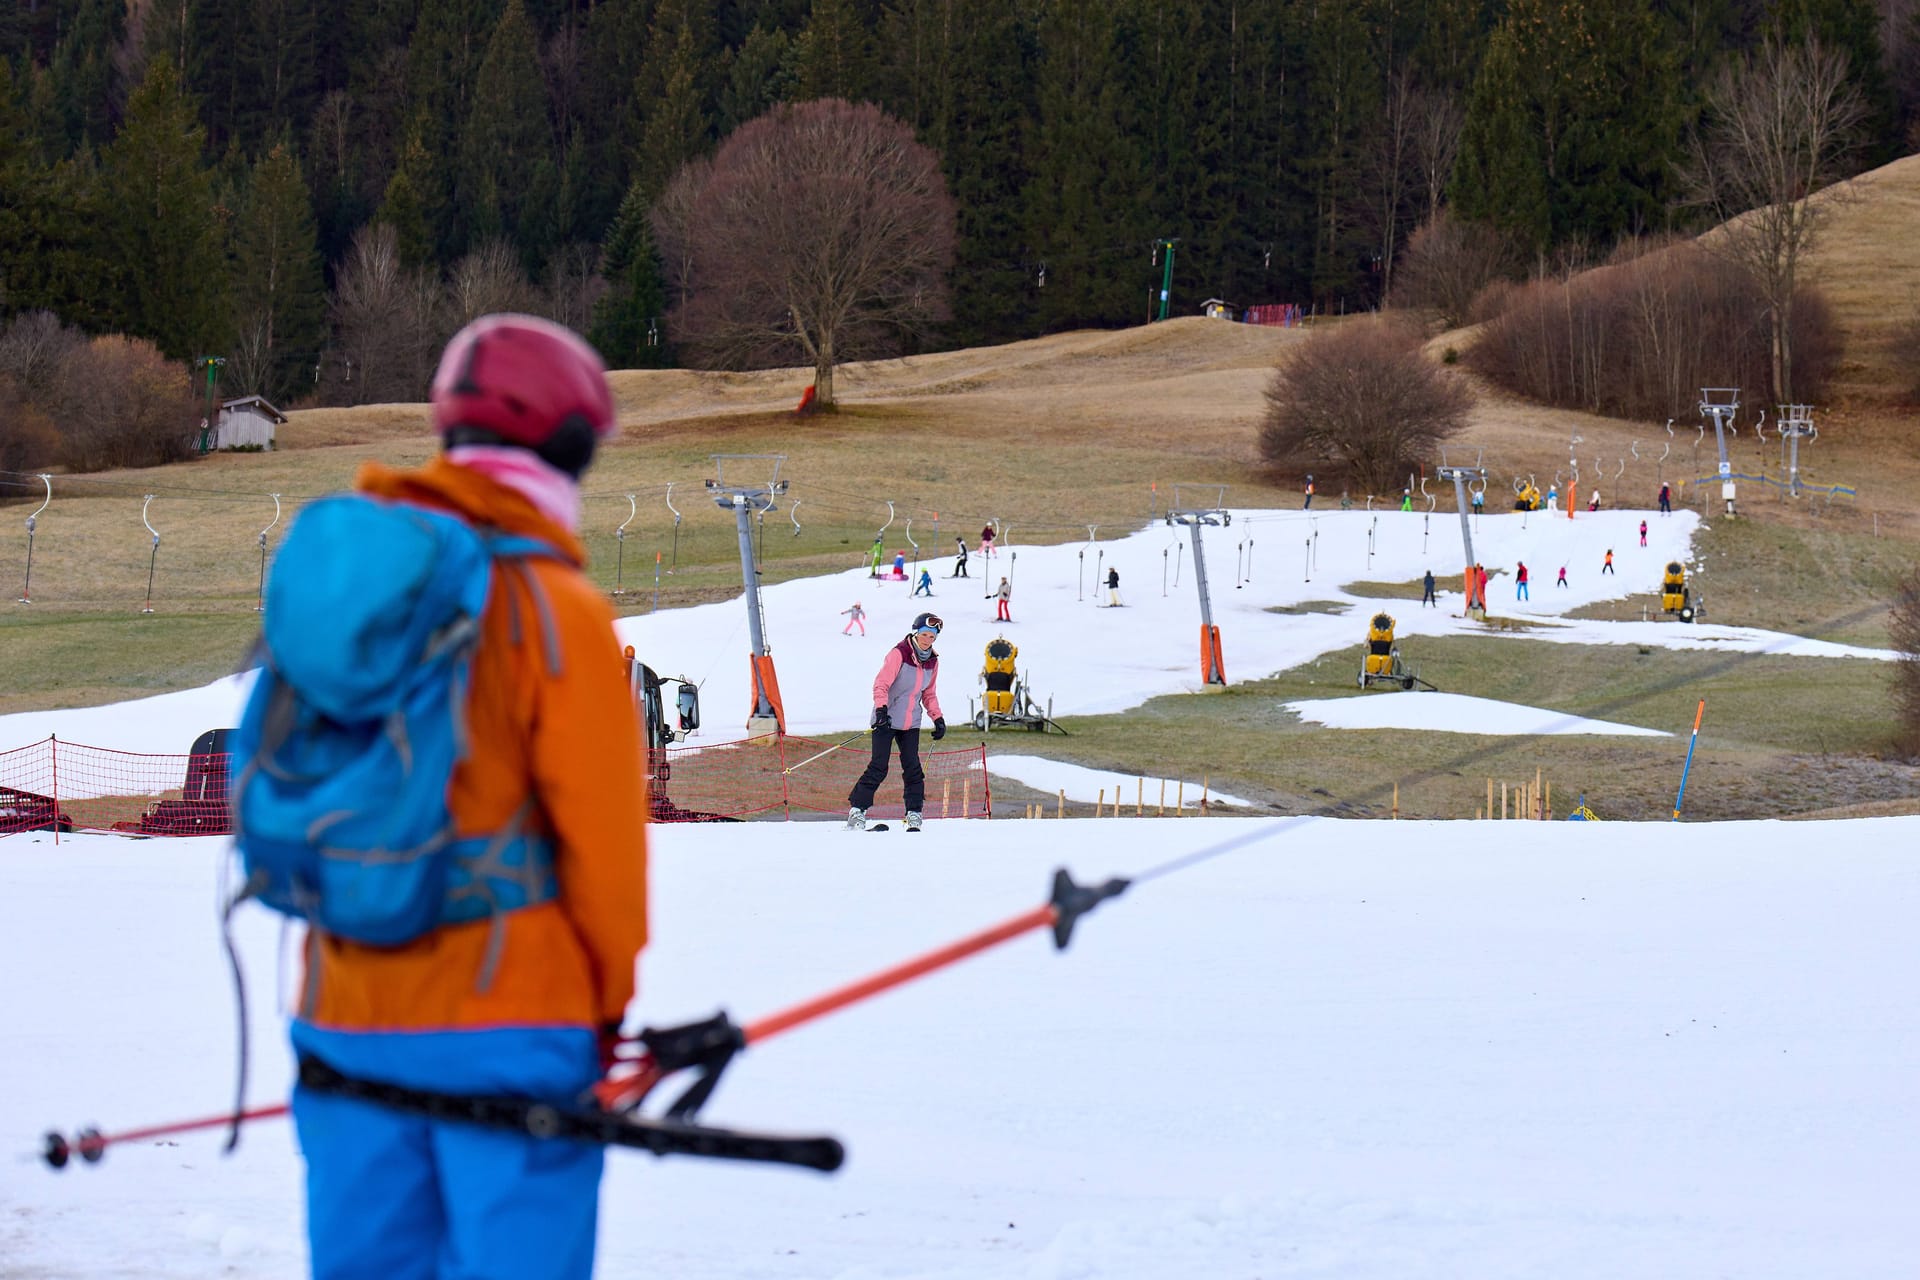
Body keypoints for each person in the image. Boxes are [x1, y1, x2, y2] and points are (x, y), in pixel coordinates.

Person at [280, 315, 648, 1280]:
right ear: (571, 449)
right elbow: (605, 858)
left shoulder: (357, 590)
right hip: (510, 1025)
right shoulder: (557, 611)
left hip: (342, 1010)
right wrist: (605, 1014)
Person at [847, 612, 946, 833]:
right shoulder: (899, 654)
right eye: (925, 634)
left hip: (911, 721)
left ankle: (914, 813)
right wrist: (881, 709)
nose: (928, 639)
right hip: (887, 719)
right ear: (916, 632)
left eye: (932, 636)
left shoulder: (932, 661)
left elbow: (928, 693)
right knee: (879, 766)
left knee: (913, 768)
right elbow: (881, 684)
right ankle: (857, 810)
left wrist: (937, 718)